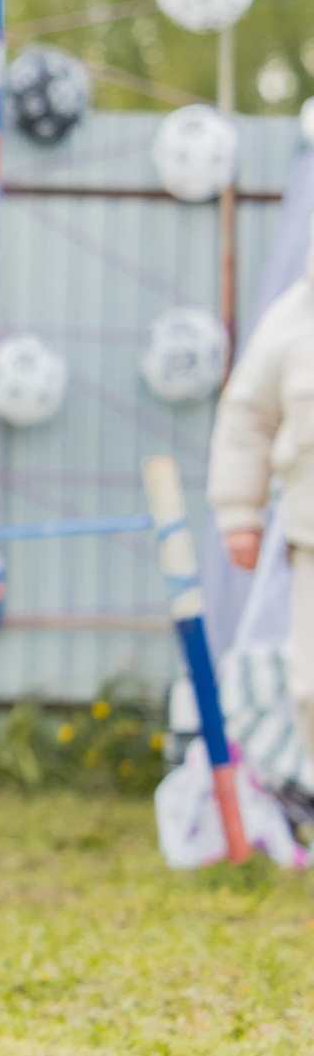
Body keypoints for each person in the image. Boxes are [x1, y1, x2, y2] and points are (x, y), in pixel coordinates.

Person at [209, 210, 314, 745]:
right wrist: (239, 514)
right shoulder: (295, 316)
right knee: (311, 688)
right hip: (312, 533)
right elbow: (248, 416)